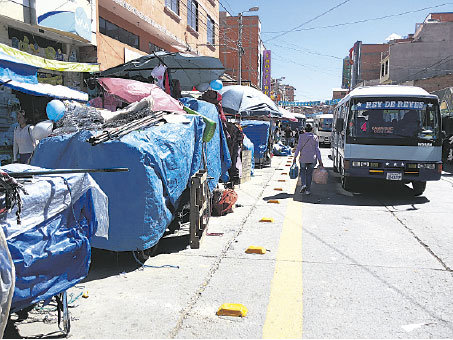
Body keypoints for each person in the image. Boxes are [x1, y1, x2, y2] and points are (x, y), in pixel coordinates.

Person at [293, 123, 323, 195]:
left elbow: (298, 148)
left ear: (305, 130)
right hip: (312, 159)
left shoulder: (301, 137)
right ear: (312, 129)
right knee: (309, 174)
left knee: (303, 172)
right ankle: (308, 190)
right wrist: (320, 160)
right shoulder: (315, 137)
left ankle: (303, 184)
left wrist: (295, 157)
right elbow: (317, 150)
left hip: (303, 158)